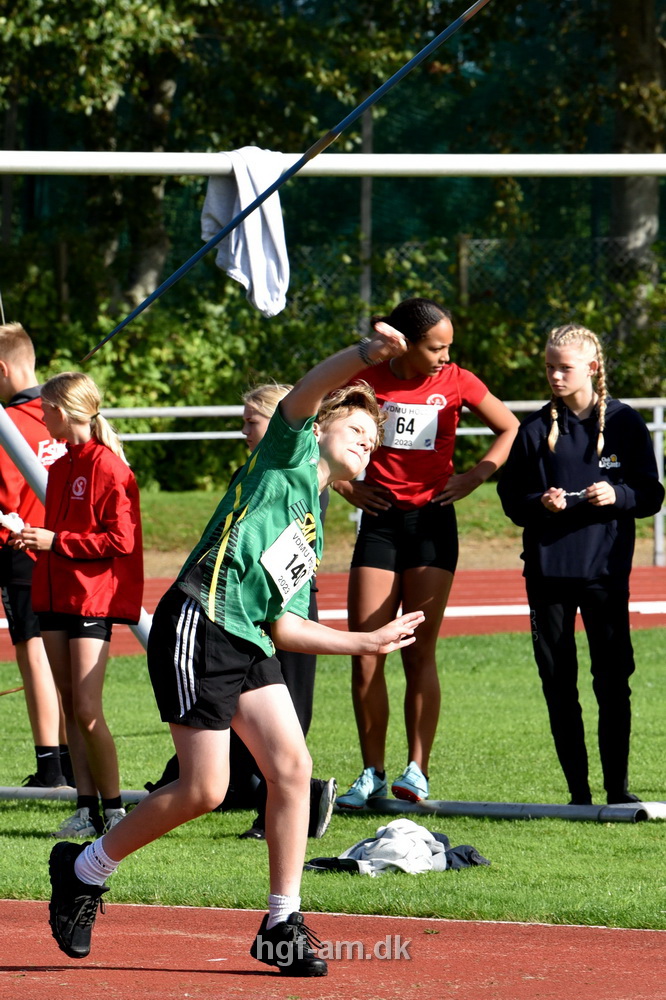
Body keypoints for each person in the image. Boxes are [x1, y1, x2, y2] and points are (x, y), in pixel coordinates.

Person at [46, 326, 425, 978]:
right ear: (325, 425)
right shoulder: (286, 453)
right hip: (201, 620)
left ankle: (282, 922)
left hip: (249, 638)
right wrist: (366, 357)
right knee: (205, 788)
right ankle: (83, 870)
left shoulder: (312, 519)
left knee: (293, 769)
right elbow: (308, 389)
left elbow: (284, 627)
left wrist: (363, 641)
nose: (369, 440)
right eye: (358, 427)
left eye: (377, 439)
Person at [334, 297, 519, 809]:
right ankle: (371, 771)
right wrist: (347, 489)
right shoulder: (368, 379)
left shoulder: (458, 380)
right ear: (407, 344)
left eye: (448, 347)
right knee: (367, 650)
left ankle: (417, 771)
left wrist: (475, 476)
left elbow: (509, 427)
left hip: (433, 524)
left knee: (419, 652)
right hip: (379, 524)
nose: (444, 356)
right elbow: (310, 424)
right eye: (436, 347)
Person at [146, 382, 337, 841]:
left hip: (271, 615)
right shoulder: (265, 468)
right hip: (231, 616)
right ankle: (89, 863)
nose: (243, 429)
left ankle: (283, 894)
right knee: (207, 783)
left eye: (251, 420)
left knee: (289, 733)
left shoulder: (297, 479)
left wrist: (368, 642)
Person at [497, 323, 664, 805]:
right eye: (549, 366)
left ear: (592, 367)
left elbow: (652, 494)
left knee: (612, 682)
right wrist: (539, 503)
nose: (554, 375)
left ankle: (617, 791)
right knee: (558, 683)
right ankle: (578, 795)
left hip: (604, 576)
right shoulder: (532, 431)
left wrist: (619, 494)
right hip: (547, 577)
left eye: (563, 367)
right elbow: (512, 501)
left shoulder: (626, 423)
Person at [11, 372, 143, 836]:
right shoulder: (62, 465)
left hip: (90, 599)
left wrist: (56, 541)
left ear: (62, 413)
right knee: (71, 706)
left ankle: (115, 810)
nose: (40, 416)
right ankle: (87, 809)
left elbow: (119, 540)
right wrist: (39, 542)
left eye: (45, 409)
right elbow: (68, 539)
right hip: (55, 598)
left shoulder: (108, 466)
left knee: (87, 708)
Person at [0, 322, 71, 788]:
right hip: (68, 547)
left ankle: (50, 764)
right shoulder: (60, 414)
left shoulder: (9, 425)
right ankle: (65, 761)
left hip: (23, 549)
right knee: (64, 655)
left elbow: (6, 494)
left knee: (34, 656)